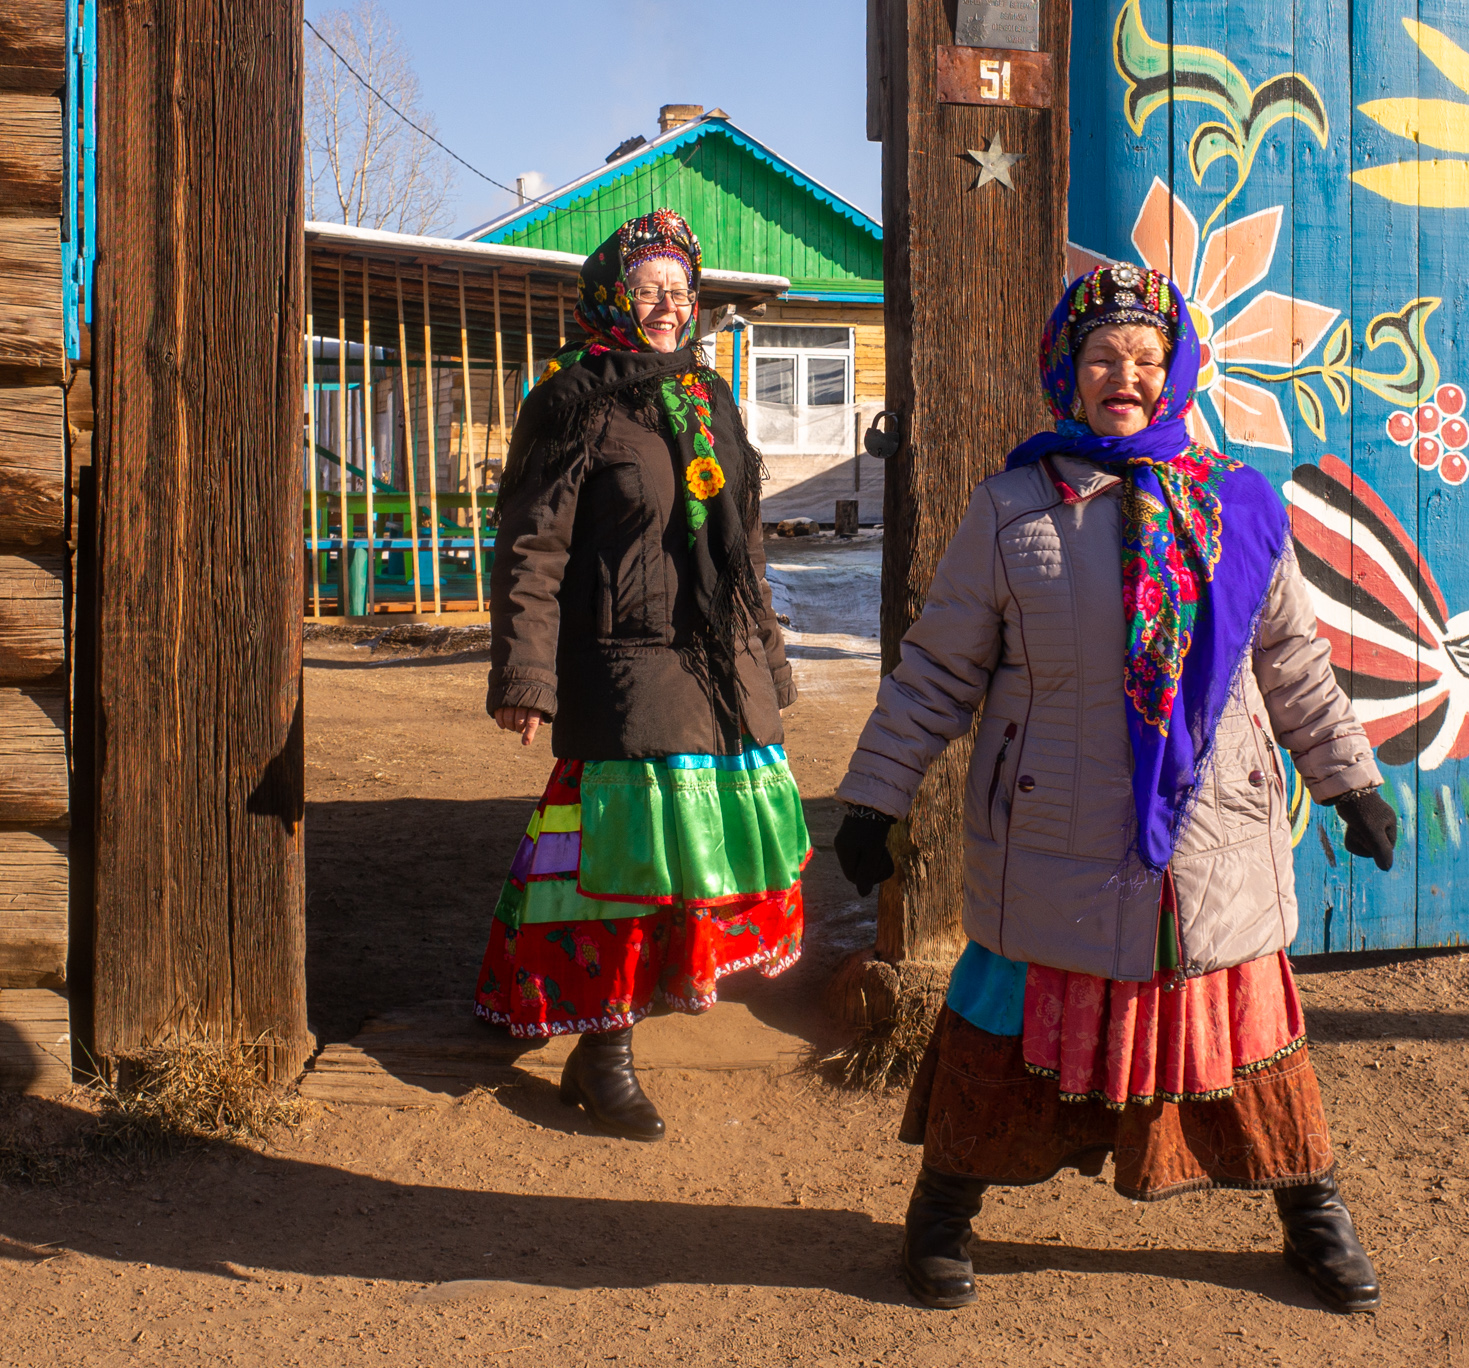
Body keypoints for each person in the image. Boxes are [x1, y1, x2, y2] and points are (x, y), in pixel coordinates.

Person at [831, 262, 1402, 1313]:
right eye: (1102, 358)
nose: (1123, 376)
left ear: (1177, 370)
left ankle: (1310, 1214)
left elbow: (1291, 663)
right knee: (1002, 1029)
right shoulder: (1012, 508)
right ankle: (940, 1215)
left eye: (1145, 358)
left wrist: (1346, 779)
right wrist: (876, 796)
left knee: (1251, 1032)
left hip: (1207, 835)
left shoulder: (1238, 503)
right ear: (1068, 371)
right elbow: (939, 669)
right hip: (1053, 831)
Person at [475, 208, 810, 1142]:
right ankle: (605, 1051)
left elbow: (742, 550)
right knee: (617, 876)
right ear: (610, 296)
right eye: (647, 288)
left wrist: (770, 663)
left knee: (695, 870)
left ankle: (634, 1023)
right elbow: (533, 547)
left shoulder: (709, 397)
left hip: (719, 669)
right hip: (626, 669)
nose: (667, 306)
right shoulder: (575, 399)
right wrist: (525, 676)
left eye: (680, 290)